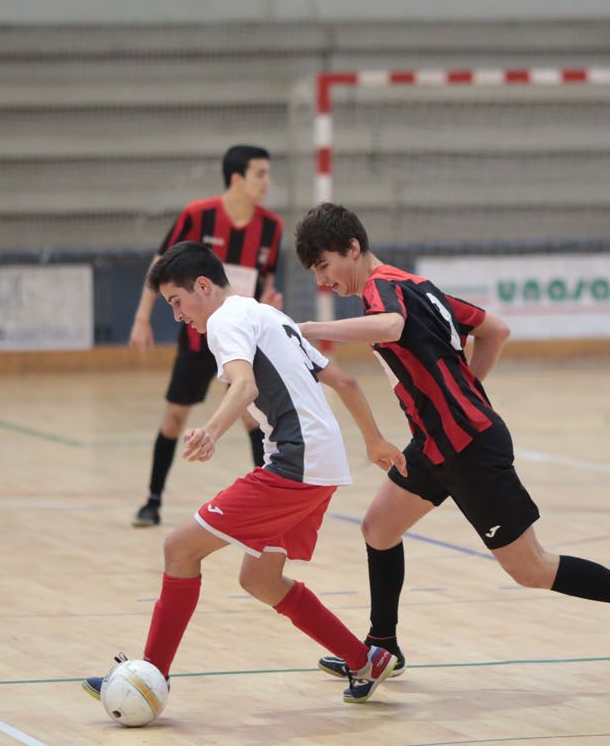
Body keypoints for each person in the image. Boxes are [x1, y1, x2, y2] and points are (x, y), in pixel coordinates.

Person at [292, 202, 610, 681]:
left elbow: (392, 326)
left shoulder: (383, 290)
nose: (323, 281)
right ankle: (382, 648)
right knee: (379, 528)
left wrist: (306, 329)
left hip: (468, 447)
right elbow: (495, 330)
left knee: (531, 568)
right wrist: (464, 391)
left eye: (324, 266)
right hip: (436, 442)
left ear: (353, 248)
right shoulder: (417, 286)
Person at [84, 241, 404, 708]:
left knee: (179, 548)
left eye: (176, 302)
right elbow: (345, 381)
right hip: (322, 463)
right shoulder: (268, 315)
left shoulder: (225, 321)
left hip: (296, 463)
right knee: (261, 579)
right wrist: (373, 440)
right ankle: (364, 660)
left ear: (202, 286)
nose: (177, 315)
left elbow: (245, 385)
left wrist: (211, 431)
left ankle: (150, 676)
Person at [129, 145, 285, 527]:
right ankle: (152, 501)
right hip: (199, 339)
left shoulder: (271, 227)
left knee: (252, 417)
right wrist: (142, 318)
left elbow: (266, 280)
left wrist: (269, 299)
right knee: (174, 417)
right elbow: (160, 267)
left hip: (242, 339)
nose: (267, 182)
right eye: (260, 174)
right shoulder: (199, 215)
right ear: (237, 178)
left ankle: (266, 502)